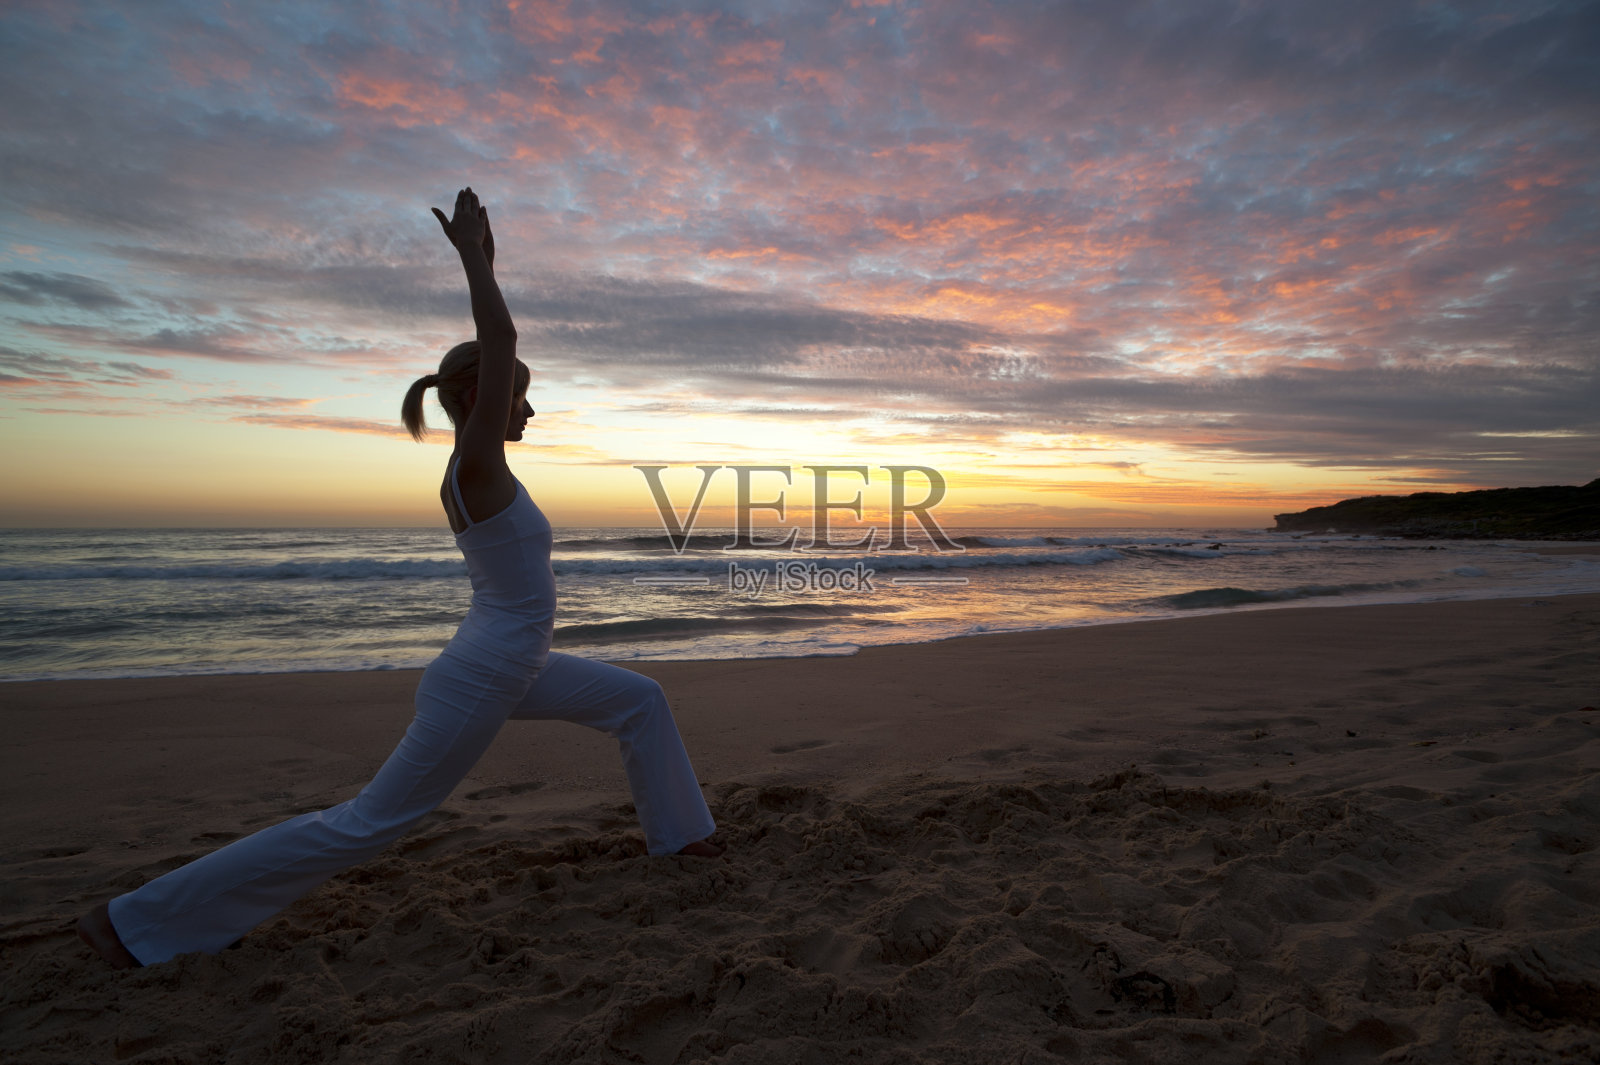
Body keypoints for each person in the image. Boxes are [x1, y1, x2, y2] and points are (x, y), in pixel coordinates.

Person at [77, 188, 722, 969]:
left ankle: (683, 841)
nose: (534, 409)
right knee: (367, 823)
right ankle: (134, 919)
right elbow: (500, 330)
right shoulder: (477, 463)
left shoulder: (478, 468)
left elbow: (500, 345)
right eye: (521, 393)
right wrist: (473, 258)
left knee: (639, 700)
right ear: (482, 397)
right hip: (486, 673)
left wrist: (484, 261)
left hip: (511, 663)